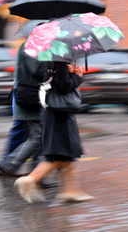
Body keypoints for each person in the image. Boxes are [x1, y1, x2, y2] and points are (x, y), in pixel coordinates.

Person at [14, 61, 94, 204]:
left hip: (56, 111)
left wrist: (68, 73)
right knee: (58, 155)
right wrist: (77, 76)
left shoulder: (52, 57)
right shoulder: (60, 58)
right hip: (60, 113)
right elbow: (64, 86)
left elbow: (56, 79)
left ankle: (70, 191)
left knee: (68, 155)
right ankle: (29, 180)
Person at [0, 41, 48, 176]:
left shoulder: (34, 45)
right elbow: (36, 68)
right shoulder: (32, 45)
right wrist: (51, 59)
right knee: (38, 135)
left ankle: (36, 174)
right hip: (30, 97)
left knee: (39, 136)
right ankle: (9, 164)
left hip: (34, 96)